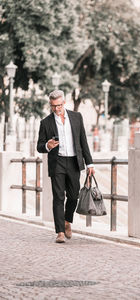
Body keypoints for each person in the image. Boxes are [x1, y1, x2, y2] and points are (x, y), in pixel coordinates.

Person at [37, 90, 94, 243]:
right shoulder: (46, 122)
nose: (57, 109)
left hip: (74, 161)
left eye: (59, 105)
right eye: (54, 106)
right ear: (50, 105)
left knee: (74, 195)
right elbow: (39, 146)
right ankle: (60, 231)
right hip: (58, 162)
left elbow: (83, 141)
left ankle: (67, 220)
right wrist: (47, 146)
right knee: (58, 197)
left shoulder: (76, 117)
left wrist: (89, 163)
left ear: (64, 102)